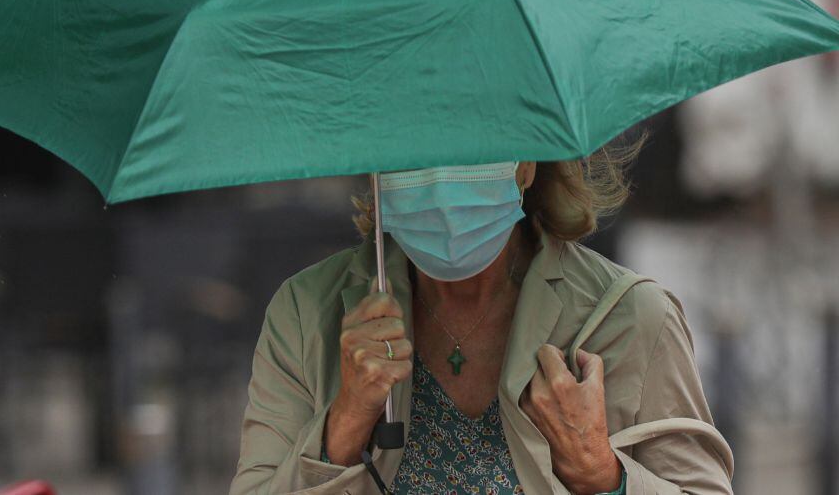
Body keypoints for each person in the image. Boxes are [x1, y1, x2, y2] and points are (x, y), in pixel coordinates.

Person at [228, 143, 734, 494]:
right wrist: (344, 424)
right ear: (377, 172)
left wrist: (601, 474)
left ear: (526, 165)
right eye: (414, 148)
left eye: (471, 144)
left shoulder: (632, 317)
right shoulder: (305, 314)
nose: (441, 174)